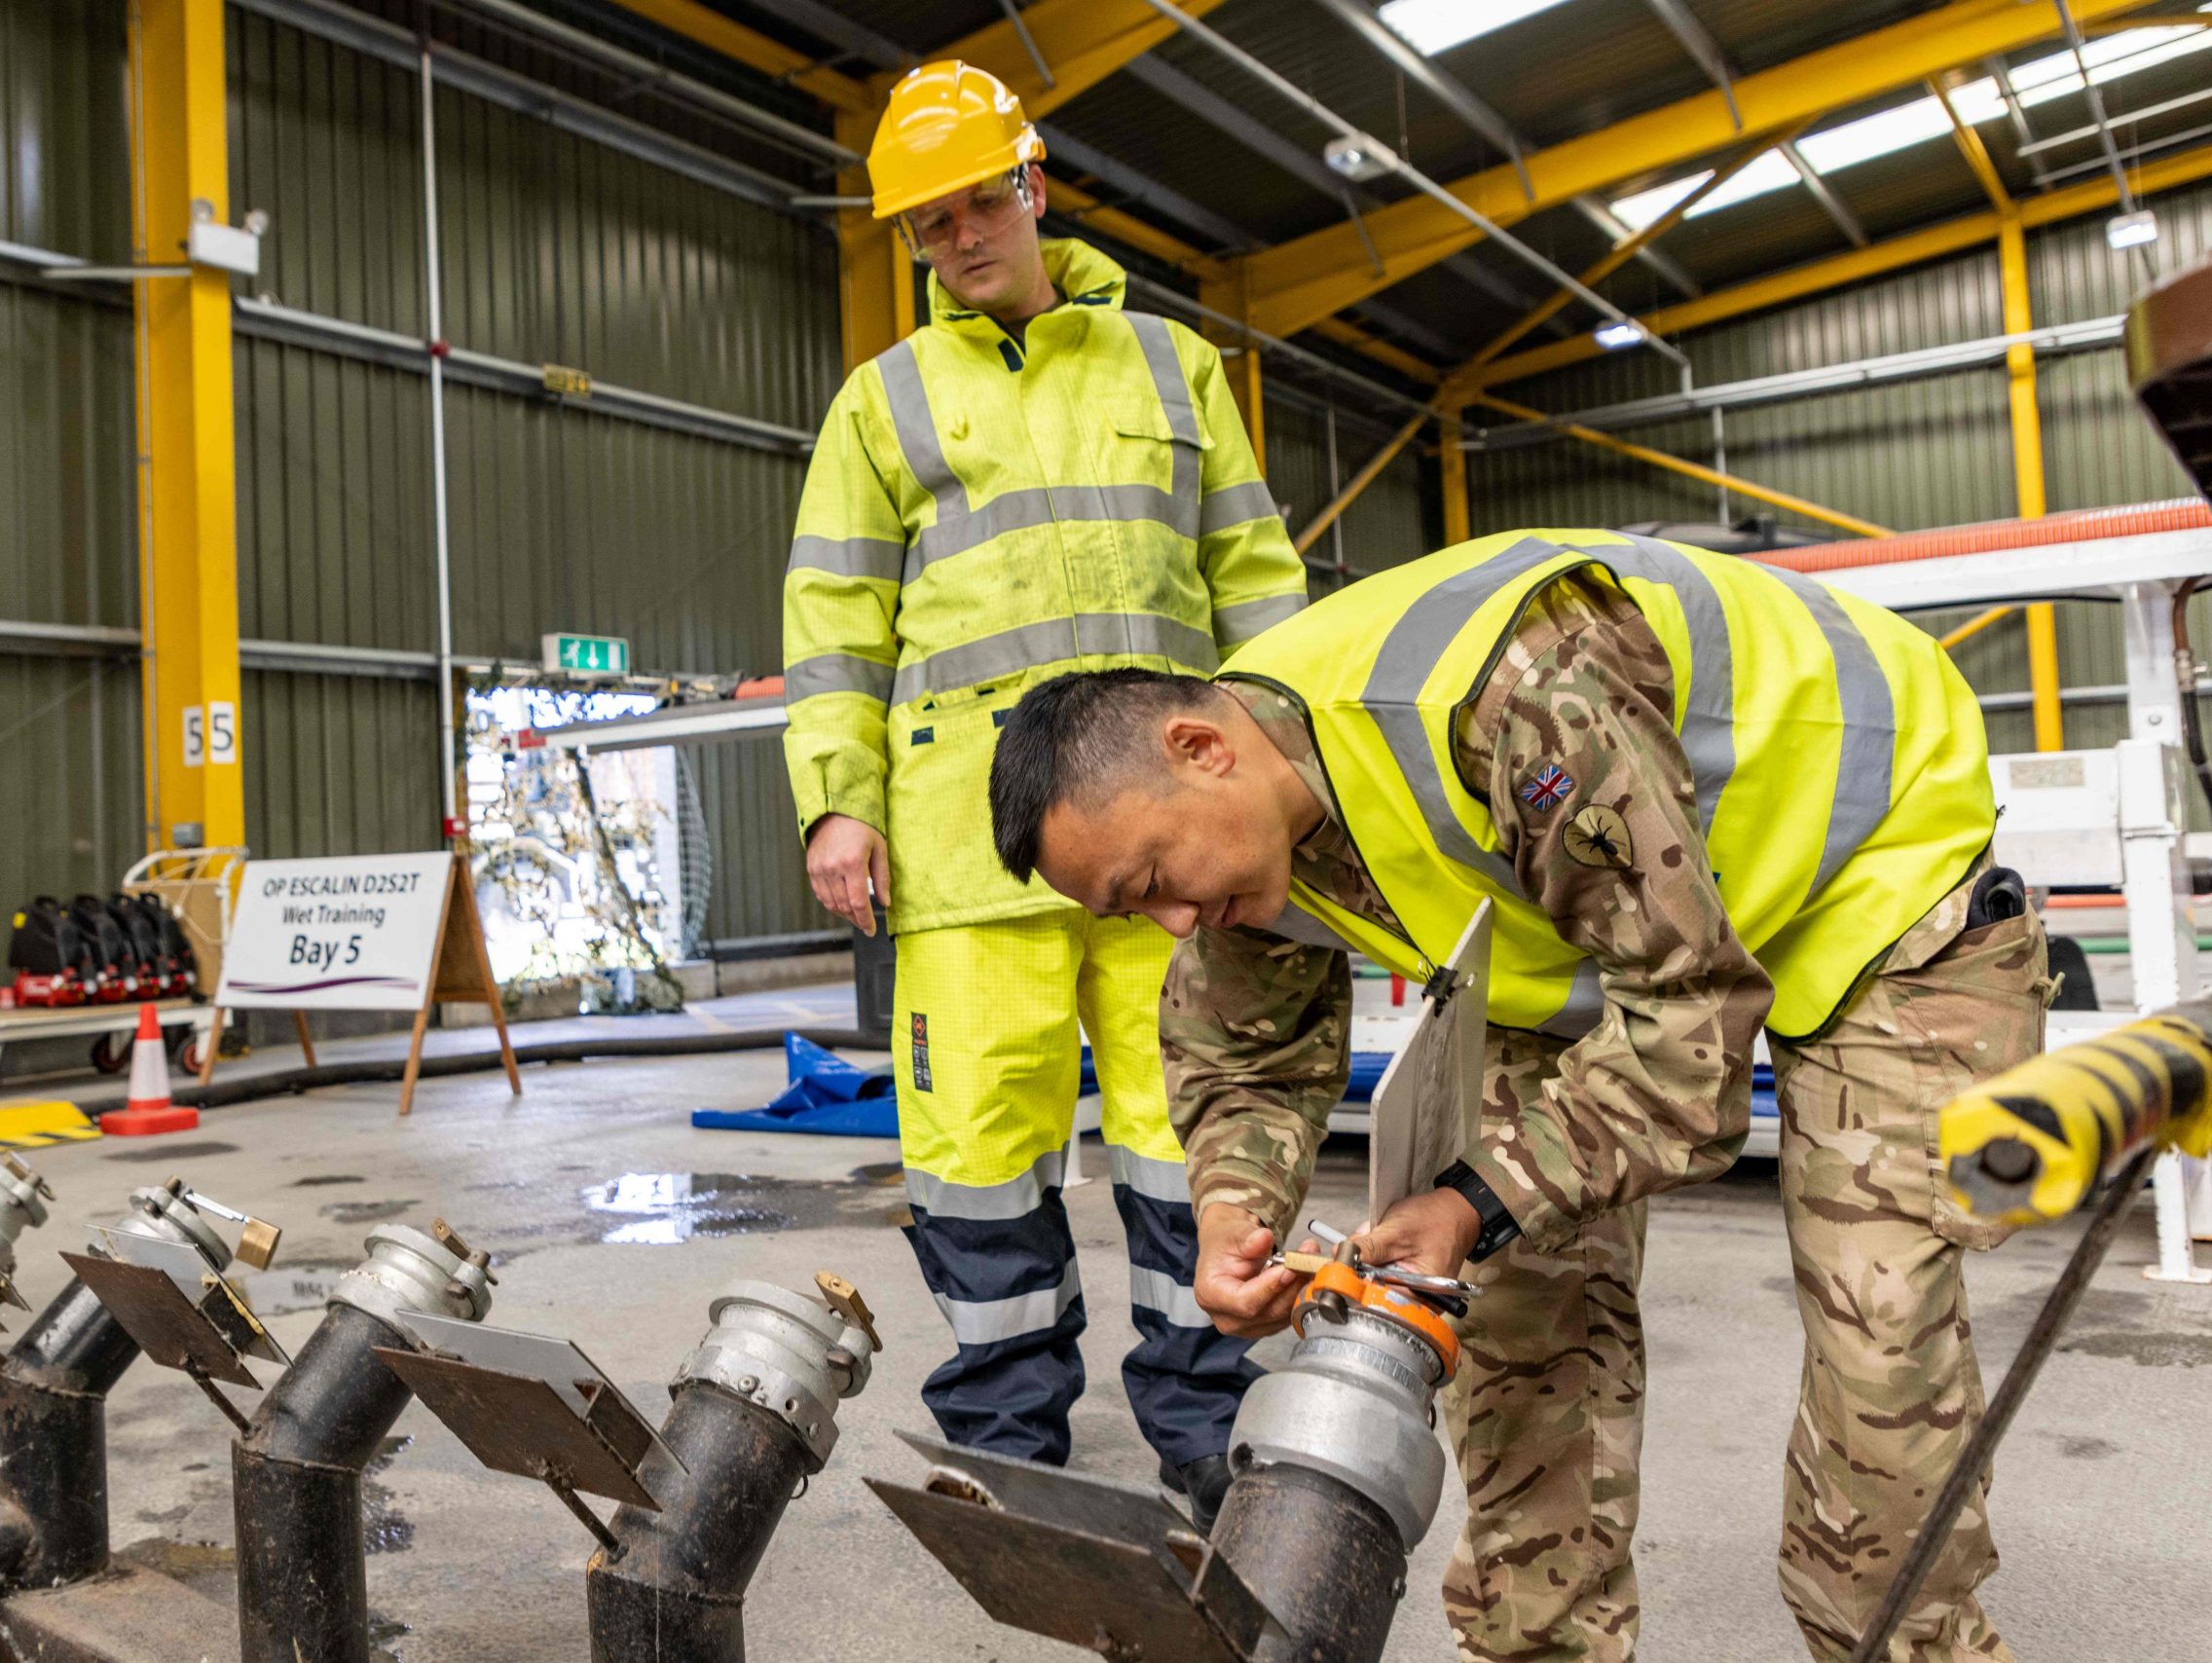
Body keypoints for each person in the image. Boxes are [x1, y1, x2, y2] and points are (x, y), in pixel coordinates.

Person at [983, 527, 2054, 1662]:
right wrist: (1233, 1208)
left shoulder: (1509, 699)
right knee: (1514, 1306)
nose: (1170, 922)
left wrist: (1474, 1194)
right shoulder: (1240, 832)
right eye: (1131, 911)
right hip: (1620, 936)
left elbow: (1688, 1040)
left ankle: (1898, 1643)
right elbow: (1247, 1057)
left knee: (1877, 1327)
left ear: (1201, 748)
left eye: (1153, 882)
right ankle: (1541, 1648)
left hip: (1878, 884)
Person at [778, 59, 1308, 1525]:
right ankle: (1007, 1428)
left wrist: (1290, 768)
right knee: (975, 1156)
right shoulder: (881, 403)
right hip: (967, 855)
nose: (958, 237)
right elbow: (832, 623)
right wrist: (839, 800)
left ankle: (1202, 1420)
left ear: (1035, 183)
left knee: (1180, 1129)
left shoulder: (1170, 365)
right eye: (926, 225)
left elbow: (1254, 583)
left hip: (1169, 841)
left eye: (975, 202)